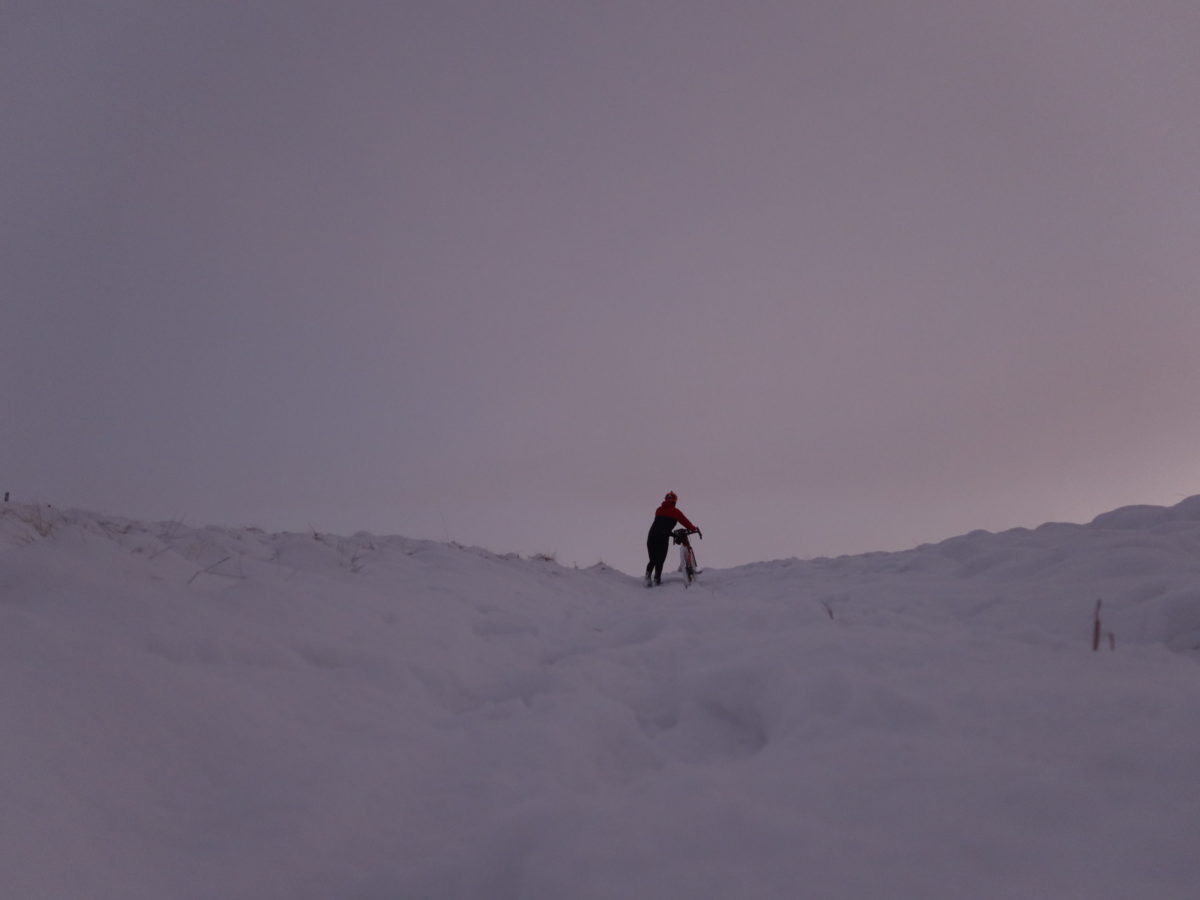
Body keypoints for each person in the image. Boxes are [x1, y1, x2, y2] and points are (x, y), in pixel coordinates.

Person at [645, 491, 699, 586]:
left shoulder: (658, 510)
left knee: (652, 559)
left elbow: (660, 525)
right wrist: (693, 528)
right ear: (675, 501)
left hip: (651, 536)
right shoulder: (675, 512)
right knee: (660, 559)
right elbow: (685, 522)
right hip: (662, 538)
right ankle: (657, 579)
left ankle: (647, 578)